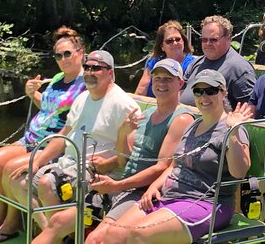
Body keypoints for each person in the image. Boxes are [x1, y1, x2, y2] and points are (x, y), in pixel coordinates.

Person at [32, 59, 194, 244]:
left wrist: (117, 185)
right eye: (157, 78)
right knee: (58, 220)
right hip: (120, 185)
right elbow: (124, 159)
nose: (161, 83)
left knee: (95, 239)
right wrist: (123, 134)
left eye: (168, 79)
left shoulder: (180, 119)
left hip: (138, 191)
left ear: (180, 83)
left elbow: (162, 168)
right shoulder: (146, 115)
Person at [102, 70, 253, 244]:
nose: (204, 96)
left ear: (223, 92)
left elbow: (239, 172)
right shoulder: (194, 125)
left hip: (206, 202)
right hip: (169, 196)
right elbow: (176, 165)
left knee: (140, 235)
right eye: (198, 91)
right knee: (113, 235)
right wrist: (154, 186)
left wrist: (233, 131)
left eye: (211, 90)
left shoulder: (233, 129)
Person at [8, 50, 141, 232]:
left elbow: (130, 154)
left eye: (96, 68)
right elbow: (63, 136)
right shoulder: (82, 98)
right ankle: (54, 232)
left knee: (47, 183)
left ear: (110, 73)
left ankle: (56, 235)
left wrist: (108, 162)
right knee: (18, 181)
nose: (89, 72)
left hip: (97, 170)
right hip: (68, 163)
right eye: (87, 67)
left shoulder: (124, 105)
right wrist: (37, 162)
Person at [0, 27, 87, 243]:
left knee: (11, 169)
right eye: (58, 55)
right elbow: (48, 108)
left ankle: (11, 222)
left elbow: (73, 119)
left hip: (53, 145)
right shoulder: (56, 79)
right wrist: (32, 93)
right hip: (31, 138)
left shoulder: (85, 84)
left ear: (80, 53)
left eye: (67, 54)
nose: (63, 59)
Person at [180, 15, 256, 110]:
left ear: (228, 38)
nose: (208, 44)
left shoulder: (239, 68)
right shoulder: (196, 63)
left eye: (213, 40)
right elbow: (180, 93)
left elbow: (248, 110)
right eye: (204, 40)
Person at [135, 20, 196, 97]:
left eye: (178, 39)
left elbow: (186, 95)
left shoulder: (193, 65)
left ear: (183, 41)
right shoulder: (154, 62)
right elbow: (141, 89)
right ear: (162, 47)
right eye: (169, 41)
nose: (175, 43)